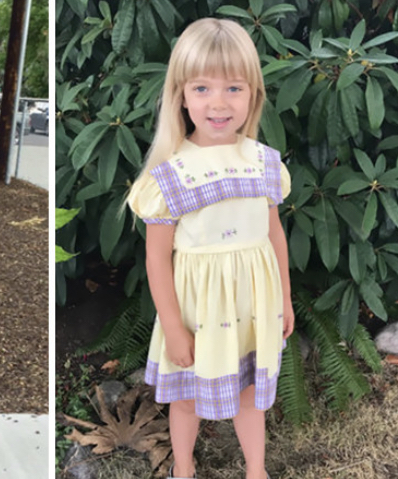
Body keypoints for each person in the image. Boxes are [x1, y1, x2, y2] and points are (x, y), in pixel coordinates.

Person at [126, 18, 293, 479]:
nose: (218, 103)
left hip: (254, 307)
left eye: (233, 88)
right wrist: (174, 328)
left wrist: (284, 298)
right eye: (202, 88)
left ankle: (255, 470)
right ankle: (183, 467)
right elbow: (157, 258)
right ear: (180, 94)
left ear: (253, 94)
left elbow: (273, 233)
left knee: (248, 395)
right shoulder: (170, 175)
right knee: (186, 398)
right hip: (198, 309)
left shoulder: (263, 161)